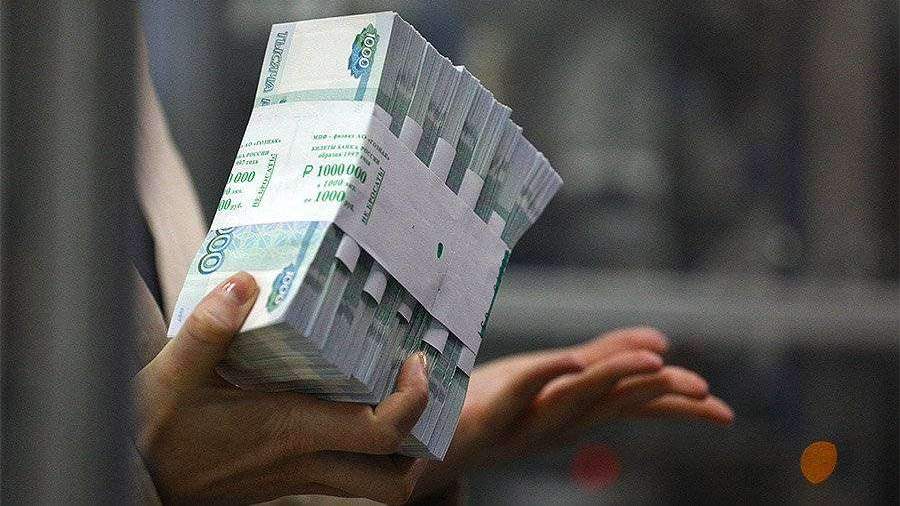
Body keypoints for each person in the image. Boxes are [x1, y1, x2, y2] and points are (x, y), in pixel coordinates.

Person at [130, 40, 734, 505]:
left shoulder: (123, 75)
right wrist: (148, 472)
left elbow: (219, 461)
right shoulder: (85, 66)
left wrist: (420, 437)